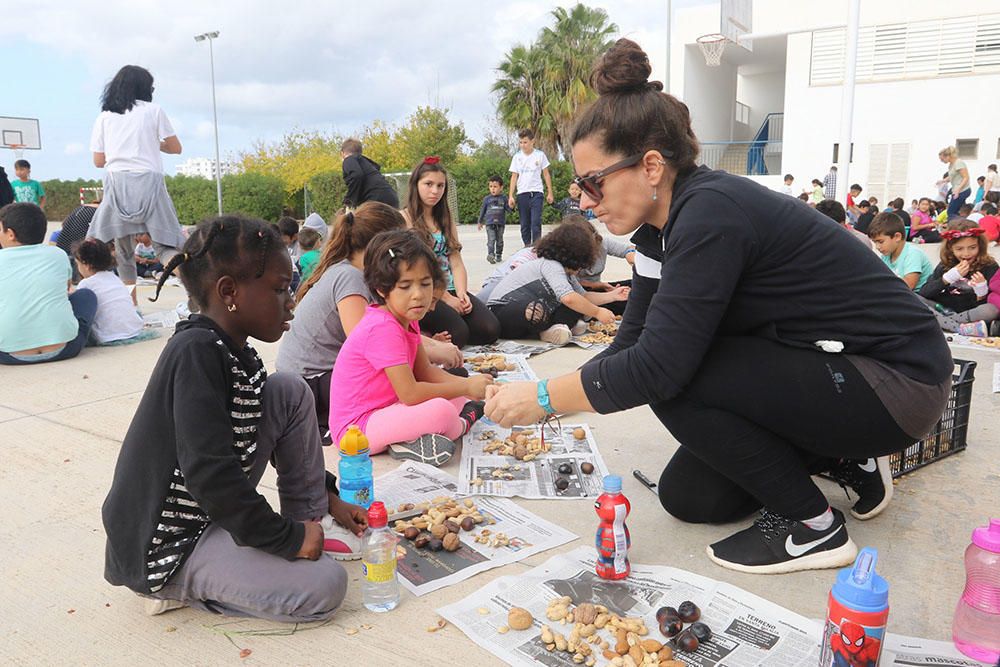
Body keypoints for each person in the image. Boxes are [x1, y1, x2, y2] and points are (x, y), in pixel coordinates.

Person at [484, 38, 952, 575]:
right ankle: (840, 453)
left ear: (651, 166)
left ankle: (816, 529)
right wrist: (537, 399)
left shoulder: (710, 214)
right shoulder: (661, 232)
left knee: (675, 375)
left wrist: (542, 396)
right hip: (831, 368)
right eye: (580, 186)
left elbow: (657, 367)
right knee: (690, 498)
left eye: (594, 182)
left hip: (895, 382)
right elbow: (630, 343)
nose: (585, 201)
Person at [106, 215, 367, 620]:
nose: (291, 300)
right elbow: (210, 474)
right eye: (280, 289)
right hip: (174, 543)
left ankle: (308, 521)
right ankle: (179, 585)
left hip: (217, 511)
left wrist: (328, 499)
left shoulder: (234, 350)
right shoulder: (196, 352)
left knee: (287, 390)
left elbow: (269, 438)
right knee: (326, 587)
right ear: (229, 292)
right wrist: (286, 539)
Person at [278, 203, 463, 445]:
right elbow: (371, 340)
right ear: (381, 246)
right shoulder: (351, 278)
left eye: (425, 284)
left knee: (451, 382)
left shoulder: (358, 276)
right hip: (310, 384)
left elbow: (400, 343)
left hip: (326, 379)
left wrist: (432, 351)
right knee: (442, 391)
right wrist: (438, 353)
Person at [329, 230, 492, 466]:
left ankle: (412, 440)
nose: (418, 295)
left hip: (388, 409)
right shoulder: (382, 328)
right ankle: (463, 422)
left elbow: (426, 372)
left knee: (455, 397)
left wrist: (471, 388)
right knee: (442, 410)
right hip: (356, 430)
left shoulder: (408, 319)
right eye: (405, 286)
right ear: (382, 289)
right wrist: (466, 386)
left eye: (425, 284)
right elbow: (410, 393)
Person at [87, 65, 185, 299]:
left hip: (117, 184)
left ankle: (131, 306)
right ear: (145, 88)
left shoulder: (105, 117)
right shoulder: (154, 111)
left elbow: (98, 161)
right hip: (150, 183)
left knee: (121, 251)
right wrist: (154, 143)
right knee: (165, 247)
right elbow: (176, 148)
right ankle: (194, 292)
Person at [401, 157, 500, 348]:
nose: (435, 191)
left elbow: (456, 261)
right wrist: (446, 298)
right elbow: (411, 268)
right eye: (428, 184)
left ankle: (434, 332)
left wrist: (462, 294)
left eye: (440, 185)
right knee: (458, 335)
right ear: (416, 185)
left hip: (453, 288)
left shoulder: (446, 219)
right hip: (429, 292)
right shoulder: (405, 218)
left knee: (490, 329)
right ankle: (424, 337)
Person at [487, 220, 624, 344]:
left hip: (536, 315)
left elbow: (584, 296)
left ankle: (552, 329)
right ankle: (550, 329)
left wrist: (613, 296)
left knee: (576, 305)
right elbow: (568, 298)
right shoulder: (550, 264)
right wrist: (597, 312)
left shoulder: (568, 275)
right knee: (539, 308)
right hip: (504, 310)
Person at [0, 203, 97, 365]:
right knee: (86, 296)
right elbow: (67, 290)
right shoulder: (58, 254)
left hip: (9, 354)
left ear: (10, 234)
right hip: (65, 349)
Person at [918, 221, 999, 337]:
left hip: (971, 314)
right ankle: (958, 328)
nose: (966, 253)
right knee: (911, 296)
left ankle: (944, 324)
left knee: (991, 310)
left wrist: (982, 293)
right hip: (942, 309)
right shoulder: (945, 265)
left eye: (972, 248)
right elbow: (924, 293)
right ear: (951, 248)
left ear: (980, 246)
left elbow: (991, 303)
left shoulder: (989, 266)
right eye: (959, 249)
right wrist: (946, 279)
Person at [73, 238, 144, 344]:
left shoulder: (86, 284)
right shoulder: (115, 278)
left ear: (87, 265)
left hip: (107, 336)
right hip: (134, 330)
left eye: (78, 264)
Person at [576, 223, 636, 316]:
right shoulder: (568, 253)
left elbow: (628, 249)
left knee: (635, 285)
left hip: (601, 288)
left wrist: (630, 255)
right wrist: (601, 286)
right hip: (580, 291)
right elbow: (570, 283)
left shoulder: (603, 243)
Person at [508, 129, 554, 246]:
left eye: (525, 142)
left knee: (536, 222)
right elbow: (514, 177)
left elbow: (546, 174)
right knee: (524, 224)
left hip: (537, 193)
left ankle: (536, 246)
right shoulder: (517, 157)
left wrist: (550, 192)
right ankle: (527, 246)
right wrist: (510, 196)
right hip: (522, 194)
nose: (523, 145)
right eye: (521, 142)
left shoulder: (540, 155)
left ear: (532, 141)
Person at [867, 212, 934, 290]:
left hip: (920, 297)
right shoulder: (886, 256)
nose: (877, 247)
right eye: (875, 242)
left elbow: (908, 285)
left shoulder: (912, 254)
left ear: (897, 237)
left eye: (881, 242)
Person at [340, 139, 399, 209]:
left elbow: (356, 175)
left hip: (376, 201)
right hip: (392, 198)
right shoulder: (367, 163)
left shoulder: (349, 160)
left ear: (342, 153)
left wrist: (350, 199)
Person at [477, 175, 509, 264]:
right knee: (491, 240)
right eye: (491, 186)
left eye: (495, 187)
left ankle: (499, 254)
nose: (492, 189)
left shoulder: (504, 198)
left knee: (499, 241)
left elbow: (508, 209)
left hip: (500, 224)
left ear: (501, 187)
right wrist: (480, 221)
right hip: (489, 223)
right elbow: (482, 211)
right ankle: (491, 255)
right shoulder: (487, 199)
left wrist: (512, 205)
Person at [940, 146, 971, 219]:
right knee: (958, 211)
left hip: (962, 190)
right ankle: (960, 226)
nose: (942, 161)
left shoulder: (958, 163)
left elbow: (966, 177)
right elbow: (952, 176)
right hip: (957, 190)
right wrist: (943, 180)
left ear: (948, 156)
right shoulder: (951, 164)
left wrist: (958, 190)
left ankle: (956, 226)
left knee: (950, 212)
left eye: (942, 159)